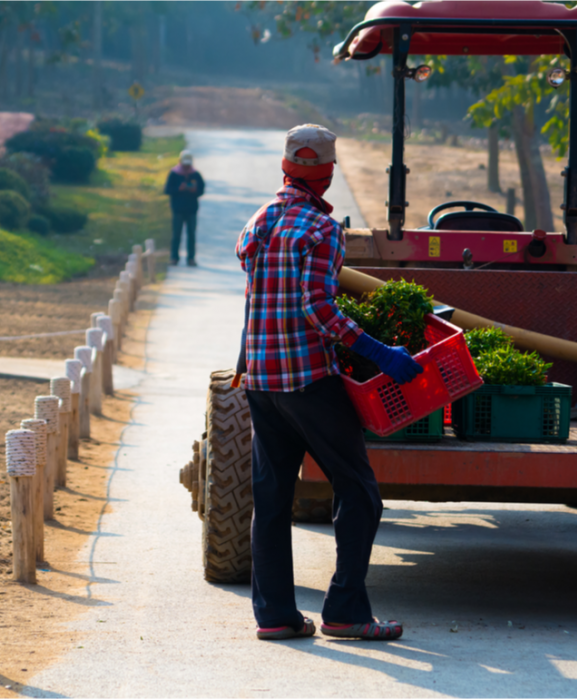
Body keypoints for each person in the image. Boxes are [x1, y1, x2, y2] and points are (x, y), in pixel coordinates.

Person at [235, 124, 422, 642]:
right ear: (329, 174)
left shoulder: (259, 220)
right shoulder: (322, 229)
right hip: (308, 381)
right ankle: (344, 611)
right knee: (359, 490)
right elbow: (317, 308)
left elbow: (257, 299)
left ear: (285, 168)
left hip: (261, 379)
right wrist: (378, 351)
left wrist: (244, 362)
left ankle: (274, 615)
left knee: (271, 497)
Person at [163, 150, 205, 266]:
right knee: (176, 234)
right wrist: (178, 189)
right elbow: (167, 190)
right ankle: (174, 257)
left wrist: (194, 190)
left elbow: (201, 190)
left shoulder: (196, 175)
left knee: (191, 234)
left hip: (191, 209)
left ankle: (191, 258)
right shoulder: (174, 174)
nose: (186, 167)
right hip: (178, 209)